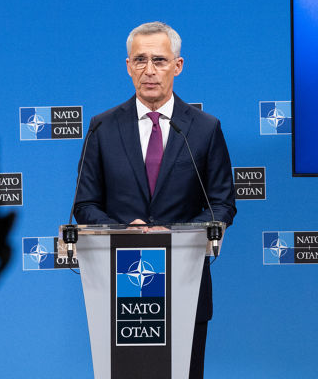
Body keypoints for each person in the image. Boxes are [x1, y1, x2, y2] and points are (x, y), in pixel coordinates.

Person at [73, 21, 236, 378]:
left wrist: (175, 234)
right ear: (128, 66)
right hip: (120, 285)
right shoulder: (102, 128)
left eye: (160, 60)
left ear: (178, 66)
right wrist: (122, 230)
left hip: (185, 284)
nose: (150, 71)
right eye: (140, 60)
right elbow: (84, 206)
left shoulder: (205, 129)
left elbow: (222, 204)